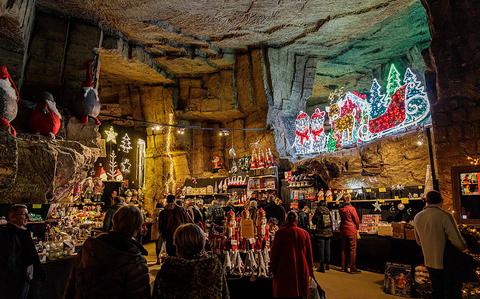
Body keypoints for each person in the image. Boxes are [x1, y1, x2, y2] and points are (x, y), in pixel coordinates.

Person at [64, 205, 150, 299]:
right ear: (137, 227)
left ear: (114, 221)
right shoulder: (135, 261)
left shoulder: (89, 248)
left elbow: (71, 285)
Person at [152, 223, 229, 299]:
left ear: (178, 246)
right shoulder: (214, 266)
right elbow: (225, 294)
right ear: (202, 243)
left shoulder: (167, 271)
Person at [414, 190, 467, 299]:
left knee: (437, 289)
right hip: (446, 261)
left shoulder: (417, 217)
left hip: (428, 260)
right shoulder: (444, 216)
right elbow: (457, 240)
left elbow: (418, 241)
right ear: (441, 201)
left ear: (426, 201)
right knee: (451, 291)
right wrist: (465, 248)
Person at [0, 204, 45, 299]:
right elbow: (9, 261)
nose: (27, 217)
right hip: (17, 281)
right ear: (12, 217)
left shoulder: (22, 231)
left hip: (25, 278)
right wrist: (24, 273)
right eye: (24, 214)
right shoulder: (9, 234)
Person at [271, 211, 313, 298]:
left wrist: (273, 267)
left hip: (284, 268)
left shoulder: (280, 233)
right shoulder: (304, 233)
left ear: (286, 220)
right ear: (296, 220)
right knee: (300, 293)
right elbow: (309, 254)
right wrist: (311, 269)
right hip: (302, 267)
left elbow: (274, 252)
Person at [339, 194, 360, 273]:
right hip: (351, 230)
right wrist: (357, 228)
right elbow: (357, 220)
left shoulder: (341, 209)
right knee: (352, 249)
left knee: (344, 249)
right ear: (349, 199)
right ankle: (352, 268)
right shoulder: (352, 209)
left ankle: (343, 267)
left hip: (343, 229)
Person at [312, 200, 333, 272]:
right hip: (328, 232)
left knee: (321, 249)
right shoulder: (327, 210)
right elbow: (331, 221)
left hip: (320, 232)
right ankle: (327, 264)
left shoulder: (318, 210)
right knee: (328, 248)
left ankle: (321, 266)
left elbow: (313, 221)